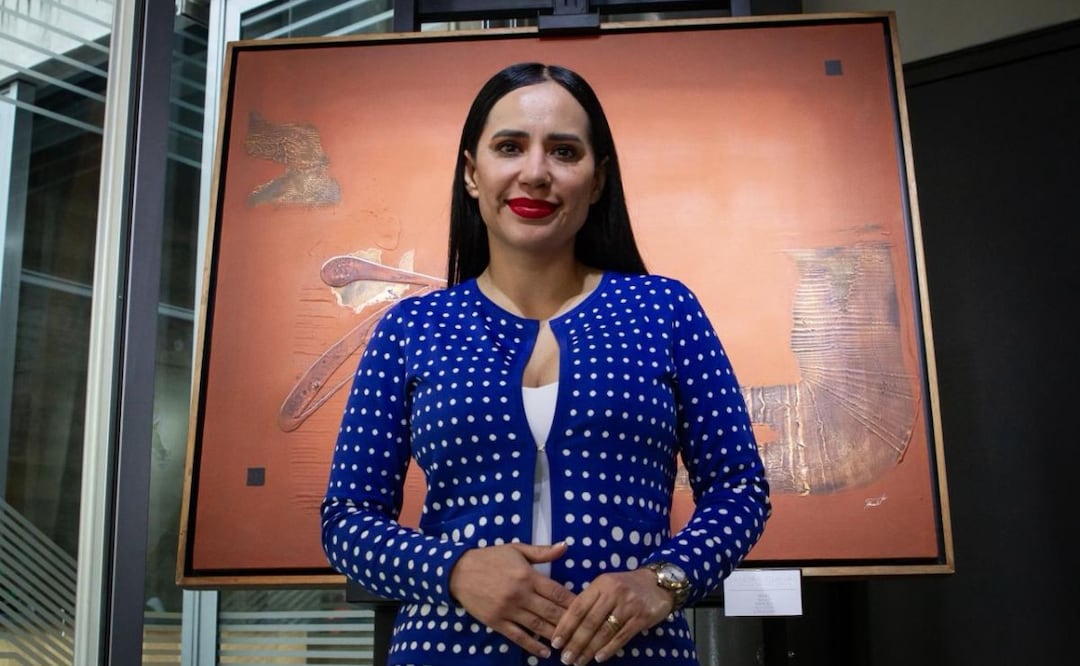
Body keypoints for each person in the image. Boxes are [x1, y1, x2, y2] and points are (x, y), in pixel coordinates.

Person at [321, 61, 771, 666]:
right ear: (473, 174)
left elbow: (739, 489)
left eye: (564, 151)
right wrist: (453, 570)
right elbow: (347, 518)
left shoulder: (664, 310)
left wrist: (662, 581)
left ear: (598, 179)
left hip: (635, 653)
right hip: (445, 650)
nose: (535, 173)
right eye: (509, 147)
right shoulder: (411, 328)